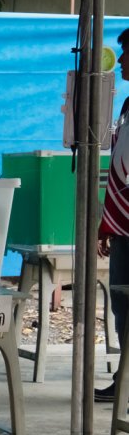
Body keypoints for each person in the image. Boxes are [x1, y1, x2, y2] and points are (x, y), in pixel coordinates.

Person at [97, 28, 129, 402]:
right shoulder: (126, 108)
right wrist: (107, 223)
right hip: (122, 227)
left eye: (127, 53)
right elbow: (119, 172)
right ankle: (125, 380)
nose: (120, 61)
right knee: (121, 303)